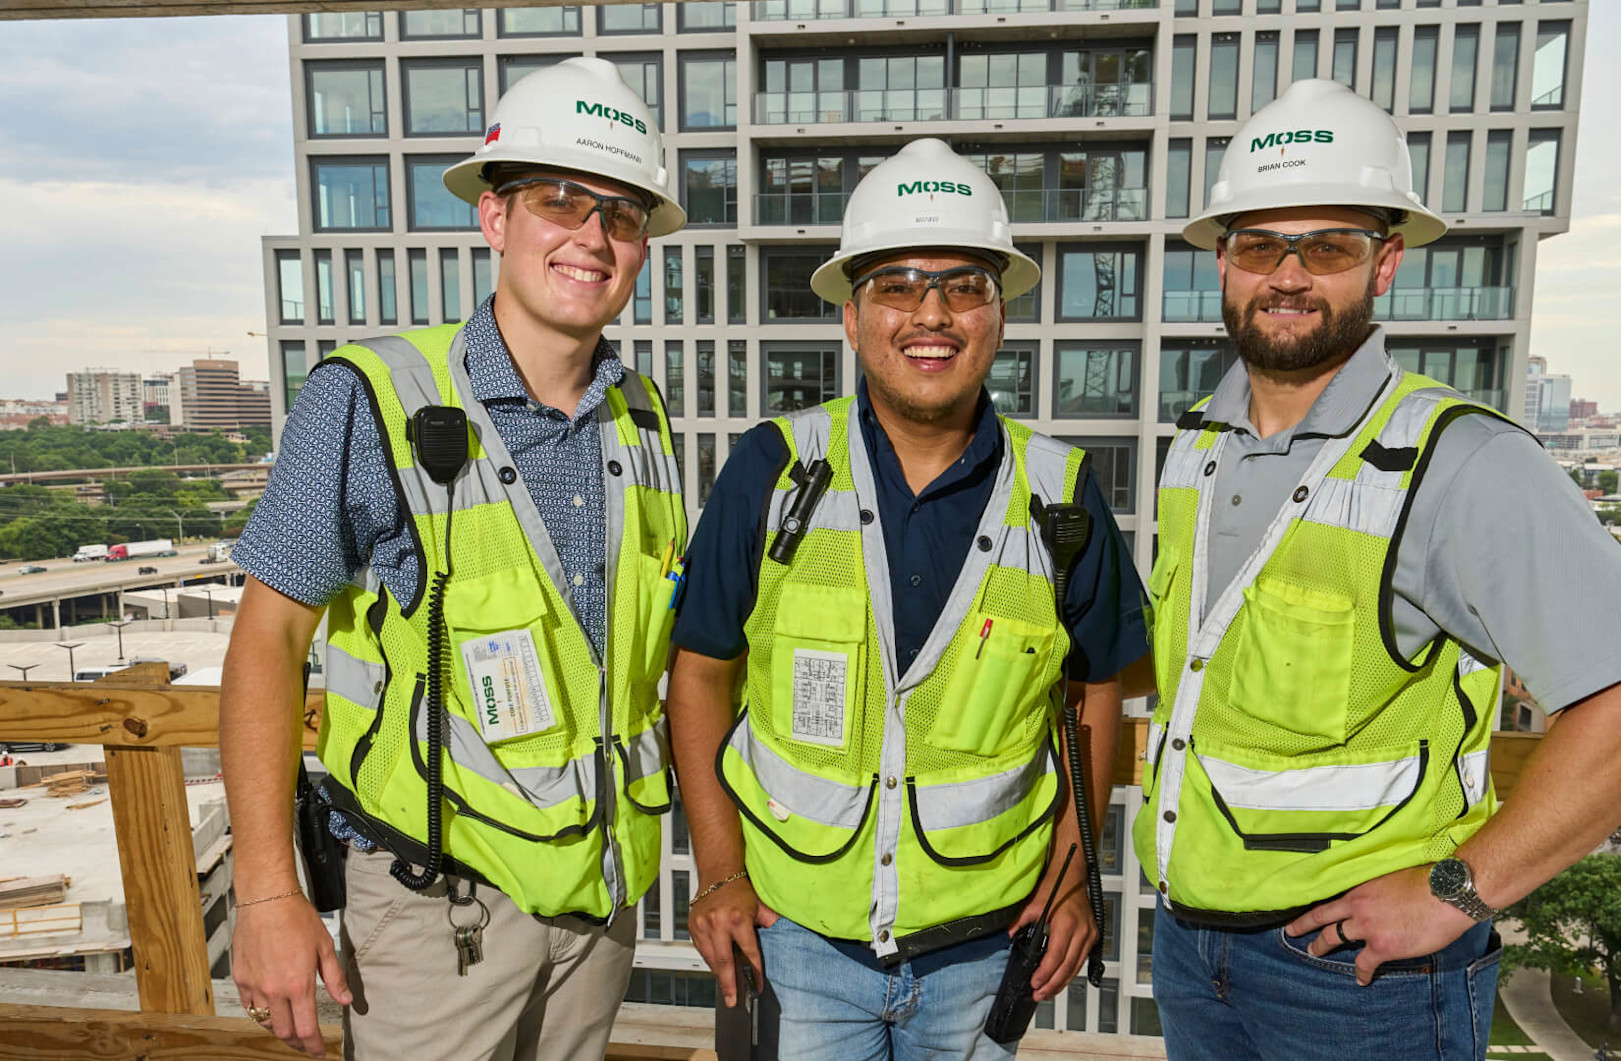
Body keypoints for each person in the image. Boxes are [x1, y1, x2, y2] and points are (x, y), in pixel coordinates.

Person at [1135, 79, 1621, 1060]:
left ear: (1384, 261)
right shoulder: (1196, 445)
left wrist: (1455, 889)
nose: (1286, 275)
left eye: (1325, 247)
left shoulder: (1459, 460)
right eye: (1258, 244)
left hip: (1358, 973)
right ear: (1220, 261)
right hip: (1191, 947)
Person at [221, 57, 687, 1060]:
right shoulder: (373, 396)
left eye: (621, 213)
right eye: (561, 201)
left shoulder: (639, 417)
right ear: (495, 217)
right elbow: (267, 636)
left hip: (598, 902)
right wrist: (265, 890)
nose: (591, 237)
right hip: (440, 913)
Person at [666, 138, 1149, 1060]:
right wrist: (718, 870)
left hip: (983, 949)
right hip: (794, 939)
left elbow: (1094, 692)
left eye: (963, 286)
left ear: (999, 317)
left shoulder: (1061, 494)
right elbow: (698, 674)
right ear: (852, 319)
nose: (932, 313)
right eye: (897, 285)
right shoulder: (774, 469)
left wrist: (1076, 877)